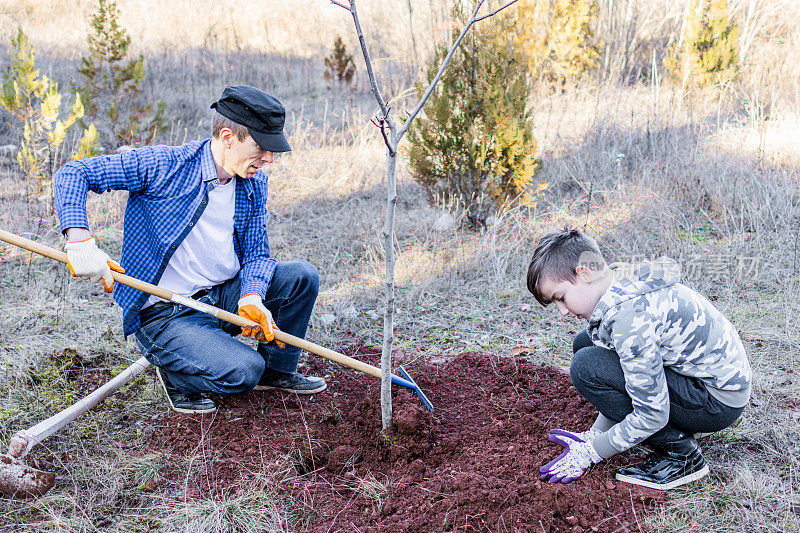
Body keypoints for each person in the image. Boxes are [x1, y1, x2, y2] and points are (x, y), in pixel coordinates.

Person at [54, 85, 326, 414]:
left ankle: (277, 371)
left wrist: (251, 296)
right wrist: (80, 239)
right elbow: (74, 173)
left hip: (220, 295)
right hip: (165, 313)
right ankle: (178, 374)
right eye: (261, 147)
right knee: (244, 372)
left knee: (301, 277)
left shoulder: (253, 183)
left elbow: (257, 254)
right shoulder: (163, 165)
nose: (269, 158)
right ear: (228, 137)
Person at [526, 226, 751, 490]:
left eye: (561, 298)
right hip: (706, 383)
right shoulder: (620, 281)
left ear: (584, 273)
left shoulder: (630, 320)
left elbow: (652, 414)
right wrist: (596, 433)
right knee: (585, 343)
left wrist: (593, 451)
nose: (562, 312)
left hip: (717, 402)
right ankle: (674, 440)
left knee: (587, 366)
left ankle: (681, 454)